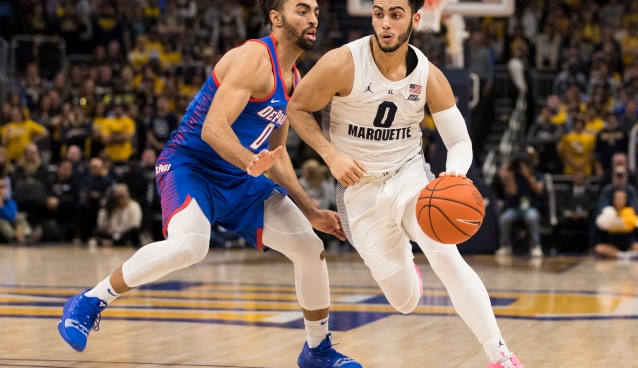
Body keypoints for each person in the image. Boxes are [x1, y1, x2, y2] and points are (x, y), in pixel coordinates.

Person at [57, 1, 361, 367]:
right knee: (190, 247)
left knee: (310, 250)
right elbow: (212, 127)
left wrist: (309, 210)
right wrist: (251, 161)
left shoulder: (294, 78)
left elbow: (277, 154)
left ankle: (317, 350)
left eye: (314, 10)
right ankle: (91, 300)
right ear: (276, 18)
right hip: (192, 165)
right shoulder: (253, 58)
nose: (312, 18)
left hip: (240, 178)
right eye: (301, 10)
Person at [286, 1, 524, 367]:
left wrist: (454, 174)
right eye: (378, 13)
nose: (384, 23)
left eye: (395, 15)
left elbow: (459, 142)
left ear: (415, 19)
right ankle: (403, 256)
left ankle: (500, 354)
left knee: (446, 254)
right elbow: (297, 109)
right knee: (404, 301)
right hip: (359, 190)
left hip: (409, 177)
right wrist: (331, 156)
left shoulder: (429, 76)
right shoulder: (342, 63)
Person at [594, 189, 638, 259]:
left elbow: (634, 225)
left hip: (628, 244)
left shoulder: (630, 212)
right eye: (618, 198)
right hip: (613, 244)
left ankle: (627, 254)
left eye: (623, 198)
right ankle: (621, 255)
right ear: (614, 199)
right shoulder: (608, 211)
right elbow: (601, 224)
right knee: (599, 248)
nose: (620, 200)